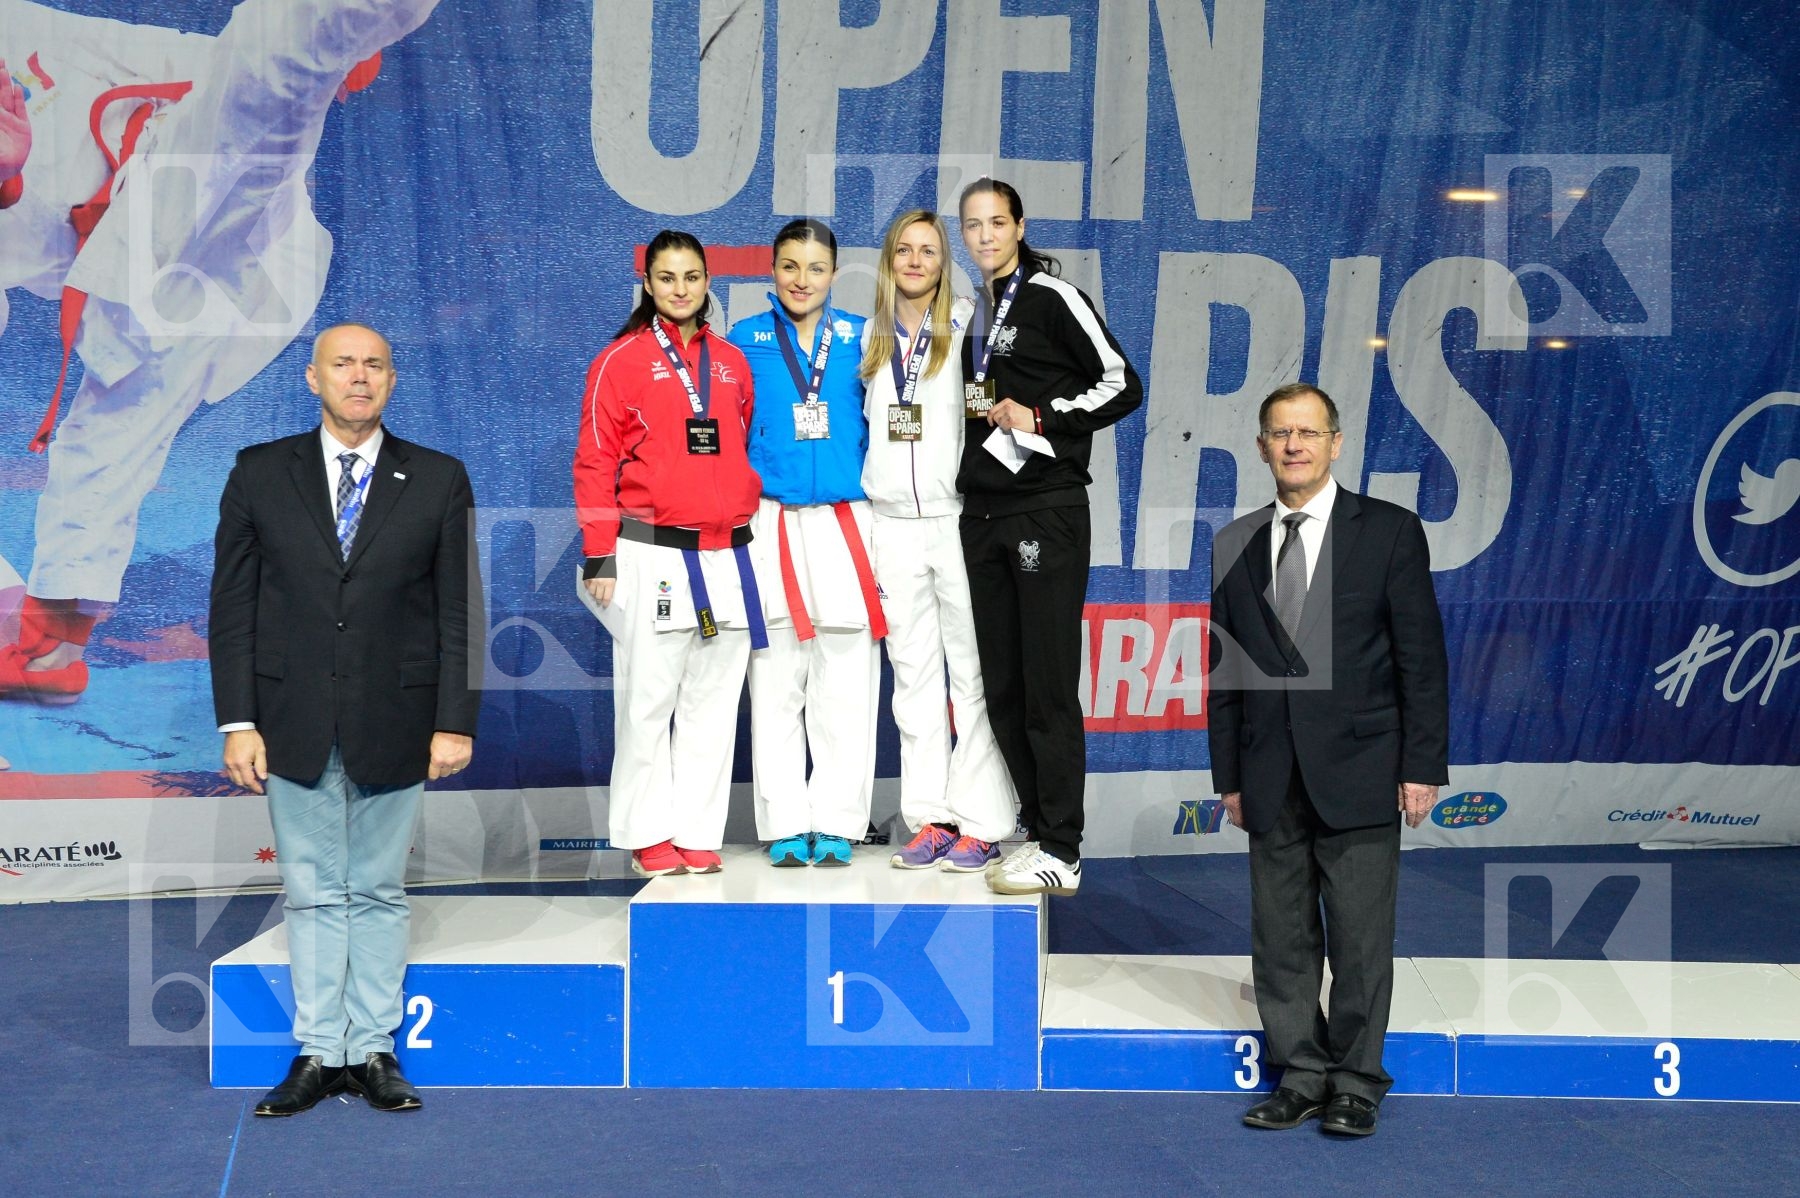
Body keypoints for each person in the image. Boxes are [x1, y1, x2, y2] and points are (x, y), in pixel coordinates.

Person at [0, 0, 435, 704]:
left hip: (193, 182)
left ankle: (330, 22)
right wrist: (4, 185)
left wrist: (320, 56)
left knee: (269, 69)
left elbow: (191, 65)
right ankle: (50, 651)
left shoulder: (16, 28)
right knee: (111, 432)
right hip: (134, 258)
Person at [209, 321, 481, 1117]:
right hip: (288, 719)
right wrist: (238, 720)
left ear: (391, 380)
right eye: (343, 364)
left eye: (374, 365)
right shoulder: (259, 472)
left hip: (399, 718)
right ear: (313, 378)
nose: (359, 377)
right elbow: (232, 608)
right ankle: (320, 1052)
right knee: (312, 891)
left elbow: (460, 611)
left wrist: (454, 720)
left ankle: (373, 1051)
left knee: (378, 889)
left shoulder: (438, 478)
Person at [1206, 382, 1449, 1138]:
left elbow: (1421, 660)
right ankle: (1302, 1074)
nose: (1294, 445)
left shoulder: (1390, 531)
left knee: (1359, 940)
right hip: (1268, 774)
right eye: (1280, 433)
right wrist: (1228, 777)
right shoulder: (1235, 541)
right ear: (1262, 447)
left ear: (1335, 443)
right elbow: (1226, 672)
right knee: (1281, 940)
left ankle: (1356, 1081)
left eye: (1308, 432)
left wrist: (1422, 766)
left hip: (1363, 769)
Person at [954, 178, 1142, 897]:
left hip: (1045, 509)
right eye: (973, 225)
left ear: (1020, 225)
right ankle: (1037, 832)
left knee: (1047, 685)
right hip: (985, 512)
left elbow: (1121, 382)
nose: (985, 236)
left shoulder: (1052, 296)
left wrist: (1043, 415)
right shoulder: (975, 312)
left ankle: (1063, 845)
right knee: (1003, 685)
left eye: (997, 222)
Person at [575, 230, 764, 879]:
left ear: (707, 282)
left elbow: (739, 445)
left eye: (691, 277)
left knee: (713, 705)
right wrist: (599, 553)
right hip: (651, 550)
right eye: (666, 278)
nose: (680, 289)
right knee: (648, 702)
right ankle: (646, 832)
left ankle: (697, 831)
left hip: (727, 553)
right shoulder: (619, 361)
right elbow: (594, 460)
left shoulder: (732, 362)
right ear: (648, 285)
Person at [859, 209, 1015, 872]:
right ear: (889, 260)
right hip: (891, 526)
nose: (916, 261)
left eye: (928, 250)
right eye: (905, 250)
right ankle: (930, 818)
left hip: (958, 520)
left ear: (944, 262)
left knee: (973, 674)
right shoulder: (868, 339)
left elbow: (993, 421)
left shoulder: (972, 328)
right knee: (913, 678)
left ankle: (983, 820)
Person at [727, 219, 882, 867]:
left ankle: (840, 822)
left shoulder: (863, 339)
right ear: (772, 270)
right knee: (776, 677)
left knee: (846, 679)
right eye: (790, 266)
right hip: (772, 520)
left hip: (847, 521)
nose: (801, 279)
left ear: (834, 273)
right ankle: (786, 822)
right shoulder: (743, 339)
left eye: (816, 268)